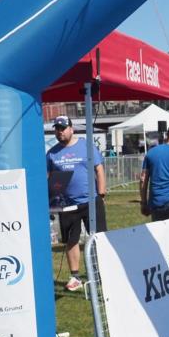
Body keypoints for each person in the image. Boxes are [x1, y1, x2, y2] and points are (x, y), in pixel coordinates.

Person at [46, 115, 107, 292]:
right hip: (66, 205)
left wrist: (101, 192)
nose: (60, 132)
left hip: (90, 201)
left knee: (98, 238)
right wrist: (51, 200)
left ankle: (101, 273)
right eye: (57, 129)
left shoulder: (86, 146)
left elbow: (99, 169)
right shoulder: (52, 153)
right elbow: (48, 178)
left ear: (72, 129)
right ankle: (75, 276)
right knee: (71, 241)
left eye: (63, 128)